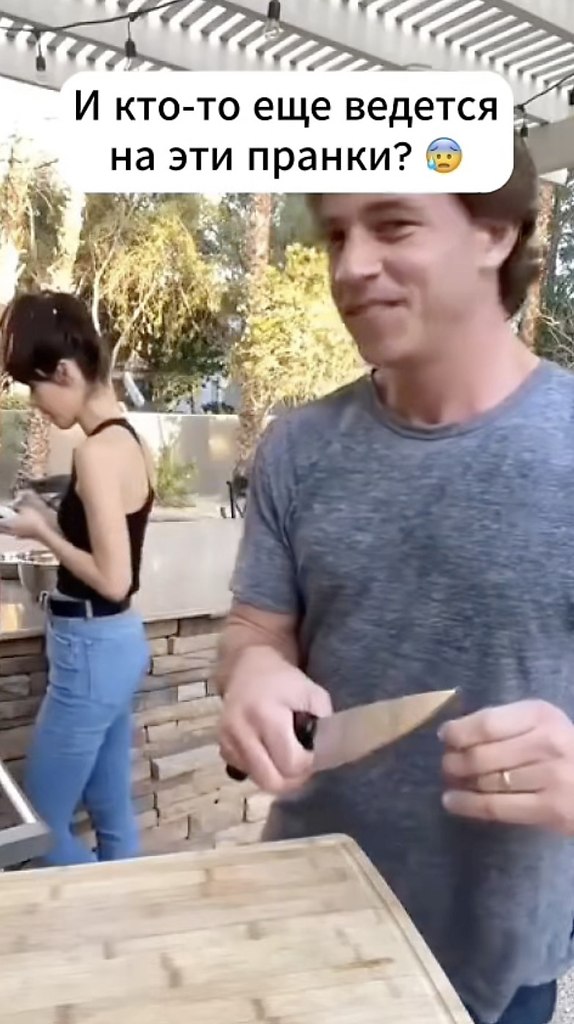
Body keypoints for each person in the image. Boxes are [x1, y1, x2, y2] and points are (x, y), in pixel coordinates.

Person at [216, 133, 574, 1024]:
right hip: (302, 922)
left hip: (492, 965)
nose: (351, 268)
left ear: (494, 232)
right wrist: (253, 672)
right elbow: (258, 629)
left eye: (394, 225)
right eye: (338, 235)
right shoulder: (298, 448)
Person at [0, 291, 154, 866]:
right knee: (111, 810)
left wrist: (43, 531)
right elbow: (107, 535)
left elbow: (114, 578)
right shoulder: (129, 440)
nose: (35, 403)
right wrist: (50, 513)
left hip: (91, 650)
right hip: (114, 644)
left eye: (34, 386)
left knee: (37, 833)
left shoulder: (95, 452)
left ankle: (100, 909)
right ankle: (127, 912)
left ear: (64, 372)